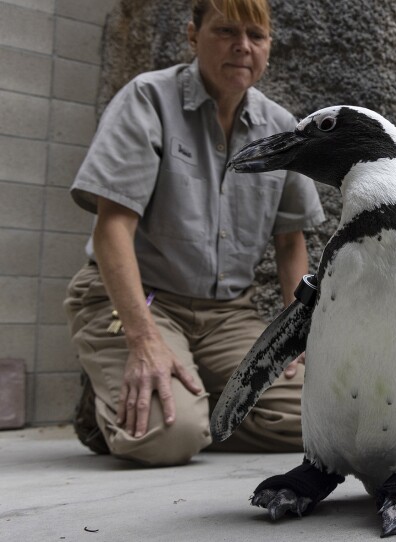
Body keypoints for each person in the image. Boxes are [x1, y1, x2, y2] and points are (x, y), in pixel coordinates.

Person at [64, 0, 325, 467]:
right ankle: (124, 405)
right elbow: (112, 229)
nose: (242, 47)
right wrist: (143, 340)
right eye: (226, 31)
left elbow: (290, 242)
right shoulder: (147, 99)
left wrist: (294, 332)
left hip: (227, 315)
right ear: (192, 35)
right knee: (169, 438)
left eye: (256, 36)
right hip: (141, 302)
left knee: (320, 416)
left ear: (268, 47)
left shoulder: (283, 129)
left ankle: (193, 401)